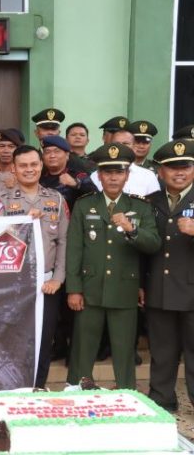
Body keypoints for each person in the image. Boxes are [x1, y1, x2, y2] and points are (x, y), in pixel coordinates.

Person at [66, 143, 161, 390]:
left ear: (127, 175)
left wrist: (133, 230)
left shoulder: (139, 207)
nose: (113, 177)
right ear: (99, 175)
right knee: (83, 349)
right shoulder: (85, 205)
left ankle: (127, 394)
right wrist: (74, 288)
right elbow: (75, 249)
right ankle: (77, 392)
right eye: (107, 172)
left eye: (118, 172)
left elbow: (153, 244)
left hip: (124, 288)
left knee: (124, 349)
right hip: (89, 289)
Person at [0, 145, 69, 388]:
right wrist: (19, 223)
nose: (29, 169)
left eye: (34, 164)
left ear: (41, 165)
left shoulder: (55, 198)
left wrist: (58, 278)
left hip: (47, 284)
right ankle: (13, 389)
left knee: (44, 340)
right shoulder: (3, 200)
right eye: (23, 165)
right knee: (14, 339)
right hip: (15, 284)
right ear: (13, 168)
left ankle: (38, 388)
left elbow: (65, 241)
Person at [144, 139, 194, 412]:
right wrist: (142, 284)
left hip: (191, 289)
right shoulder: (151, 201)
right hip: (159, 287)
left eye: (185, 166)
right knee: (162, 350)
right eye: (172, 167)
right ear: (160, 171)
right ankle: (162, 397)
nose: (179, 172)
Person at [89, 130, 160, 196]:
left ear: (134, 147)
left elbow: (154, 205)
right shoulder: (95, 176)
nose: (121, 147)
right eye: (117, 144)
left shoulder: (148, 176)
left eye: (125, 144)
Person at [40, 135, 97, 210]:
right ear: (43, 157)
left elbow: (95, 193)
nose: (52, 155)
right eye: (47, 152)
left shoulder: (78, 176)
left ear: (67, 155)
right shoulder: (40, 177)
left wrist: (76, 184)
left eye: (57, 151)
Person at [0, 129, 21, 193]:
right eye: (2, 146)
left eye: (11, 147)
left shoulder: (23, 175)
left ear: (17, 150)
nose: (6, 151)